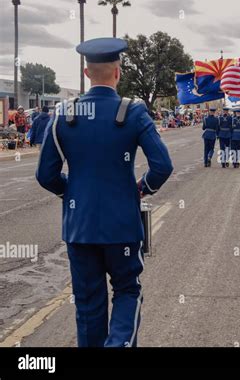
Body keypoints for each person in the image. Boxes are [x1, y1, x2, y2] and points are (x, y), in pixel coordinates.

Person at [36, 37, 174, 348]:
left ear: (87, 74)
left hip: (80, 227)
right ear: (118, 72)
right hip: (122, 226)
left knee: (87, 303)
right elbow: (163, 165)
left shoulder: (64, 115)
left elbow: (45, 175)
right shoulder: (133, 112)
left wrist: (70, 192)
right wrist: (142, 189)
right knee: (127, 290)